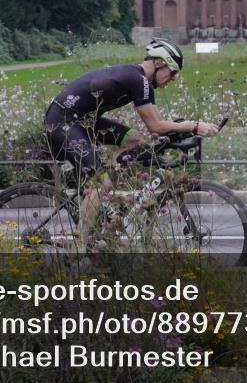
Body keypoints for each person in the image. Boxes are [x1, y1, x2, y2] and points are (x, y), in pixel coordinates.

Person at [43, 38, 221, 244]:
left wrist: (175, 133)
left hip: (80, 121)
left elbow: (159, 126)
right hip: (62, 122)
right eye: (172, 73)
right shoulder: (138, 80)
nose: (172, 79)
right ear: (159, 63)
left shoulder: (140, 80)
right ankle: (80, 247)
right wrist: (194, 125)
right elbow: (156, 126)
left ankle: (105, 202)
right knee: (100, 183)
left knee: (135, 141)